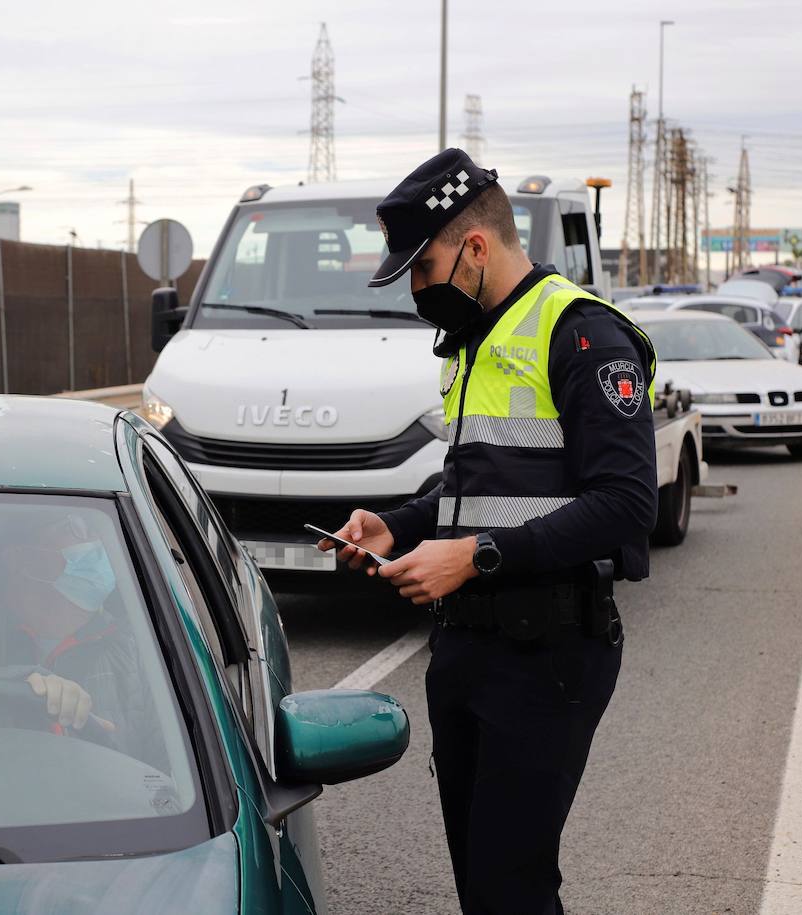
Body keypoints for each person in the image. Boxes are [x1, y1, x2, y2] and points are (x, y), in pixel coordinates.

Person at [319, 148, 657, 914]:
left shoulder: (582, 335)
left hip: (548, 656)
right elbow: (474, 483)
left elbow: (626, 502)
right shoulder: (473, 338)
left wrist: (475, 556)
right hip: (468, 650)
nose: (416, 288)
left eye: (423, 266)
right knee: (483, 884)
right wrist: (394, 526)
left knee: (513, 888)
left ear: (474, 247)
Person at [0, 512, 161, 764]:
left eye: (98, 527)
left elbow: (171, 779)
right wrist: (25, 684)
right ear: (18, 558)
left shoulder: (139, 645)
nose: (97, 540)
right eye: (78, 526)